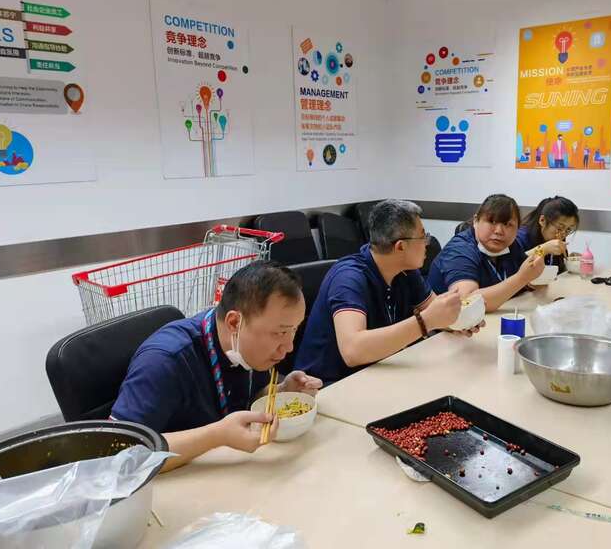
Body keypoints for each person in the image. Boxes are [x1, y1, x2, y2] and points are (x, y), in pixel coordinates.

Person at [110, 262, 323, 472]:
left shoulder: (243, 347)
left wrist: (281, 391)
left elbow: (247, 396)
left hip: (231, 471)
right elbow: (118, 455)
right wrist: (217, 436)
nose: (289, 346)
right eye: (280, 332)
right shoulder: (164, 361)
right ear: (234, 323)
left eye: (294, 330)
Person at [295, 199, 479, 385]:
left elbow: (436, 313)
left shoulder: (406, 271)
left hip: (380, 372)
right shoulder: (349, 278)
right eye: (423, 236)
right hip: (330, 385)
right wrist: (425, 322)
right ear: (400, 246)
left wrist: (461, 320)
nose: (427, 243)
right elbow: (353, 351)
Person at [428, 194, 545, 312]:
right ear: (476, 221)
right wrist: (522, 278)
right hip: (449, 322)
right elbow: (467, 302)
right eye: (491, 221)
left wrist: (532, 277)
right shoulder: (459, 250)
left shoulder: (511, 246)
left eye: (508, 224)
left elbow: (529, 283)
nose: (499, 231)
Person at [516, 196, 580, 274]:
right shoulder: (520, 237)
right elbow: (513, 264)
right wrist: (543, 249)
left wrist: (570, 261)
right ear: (542, 220)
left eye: (568, 229)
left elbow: (558, 270)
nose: (563, 234)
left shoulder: (559, 235)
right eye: (560, 228)